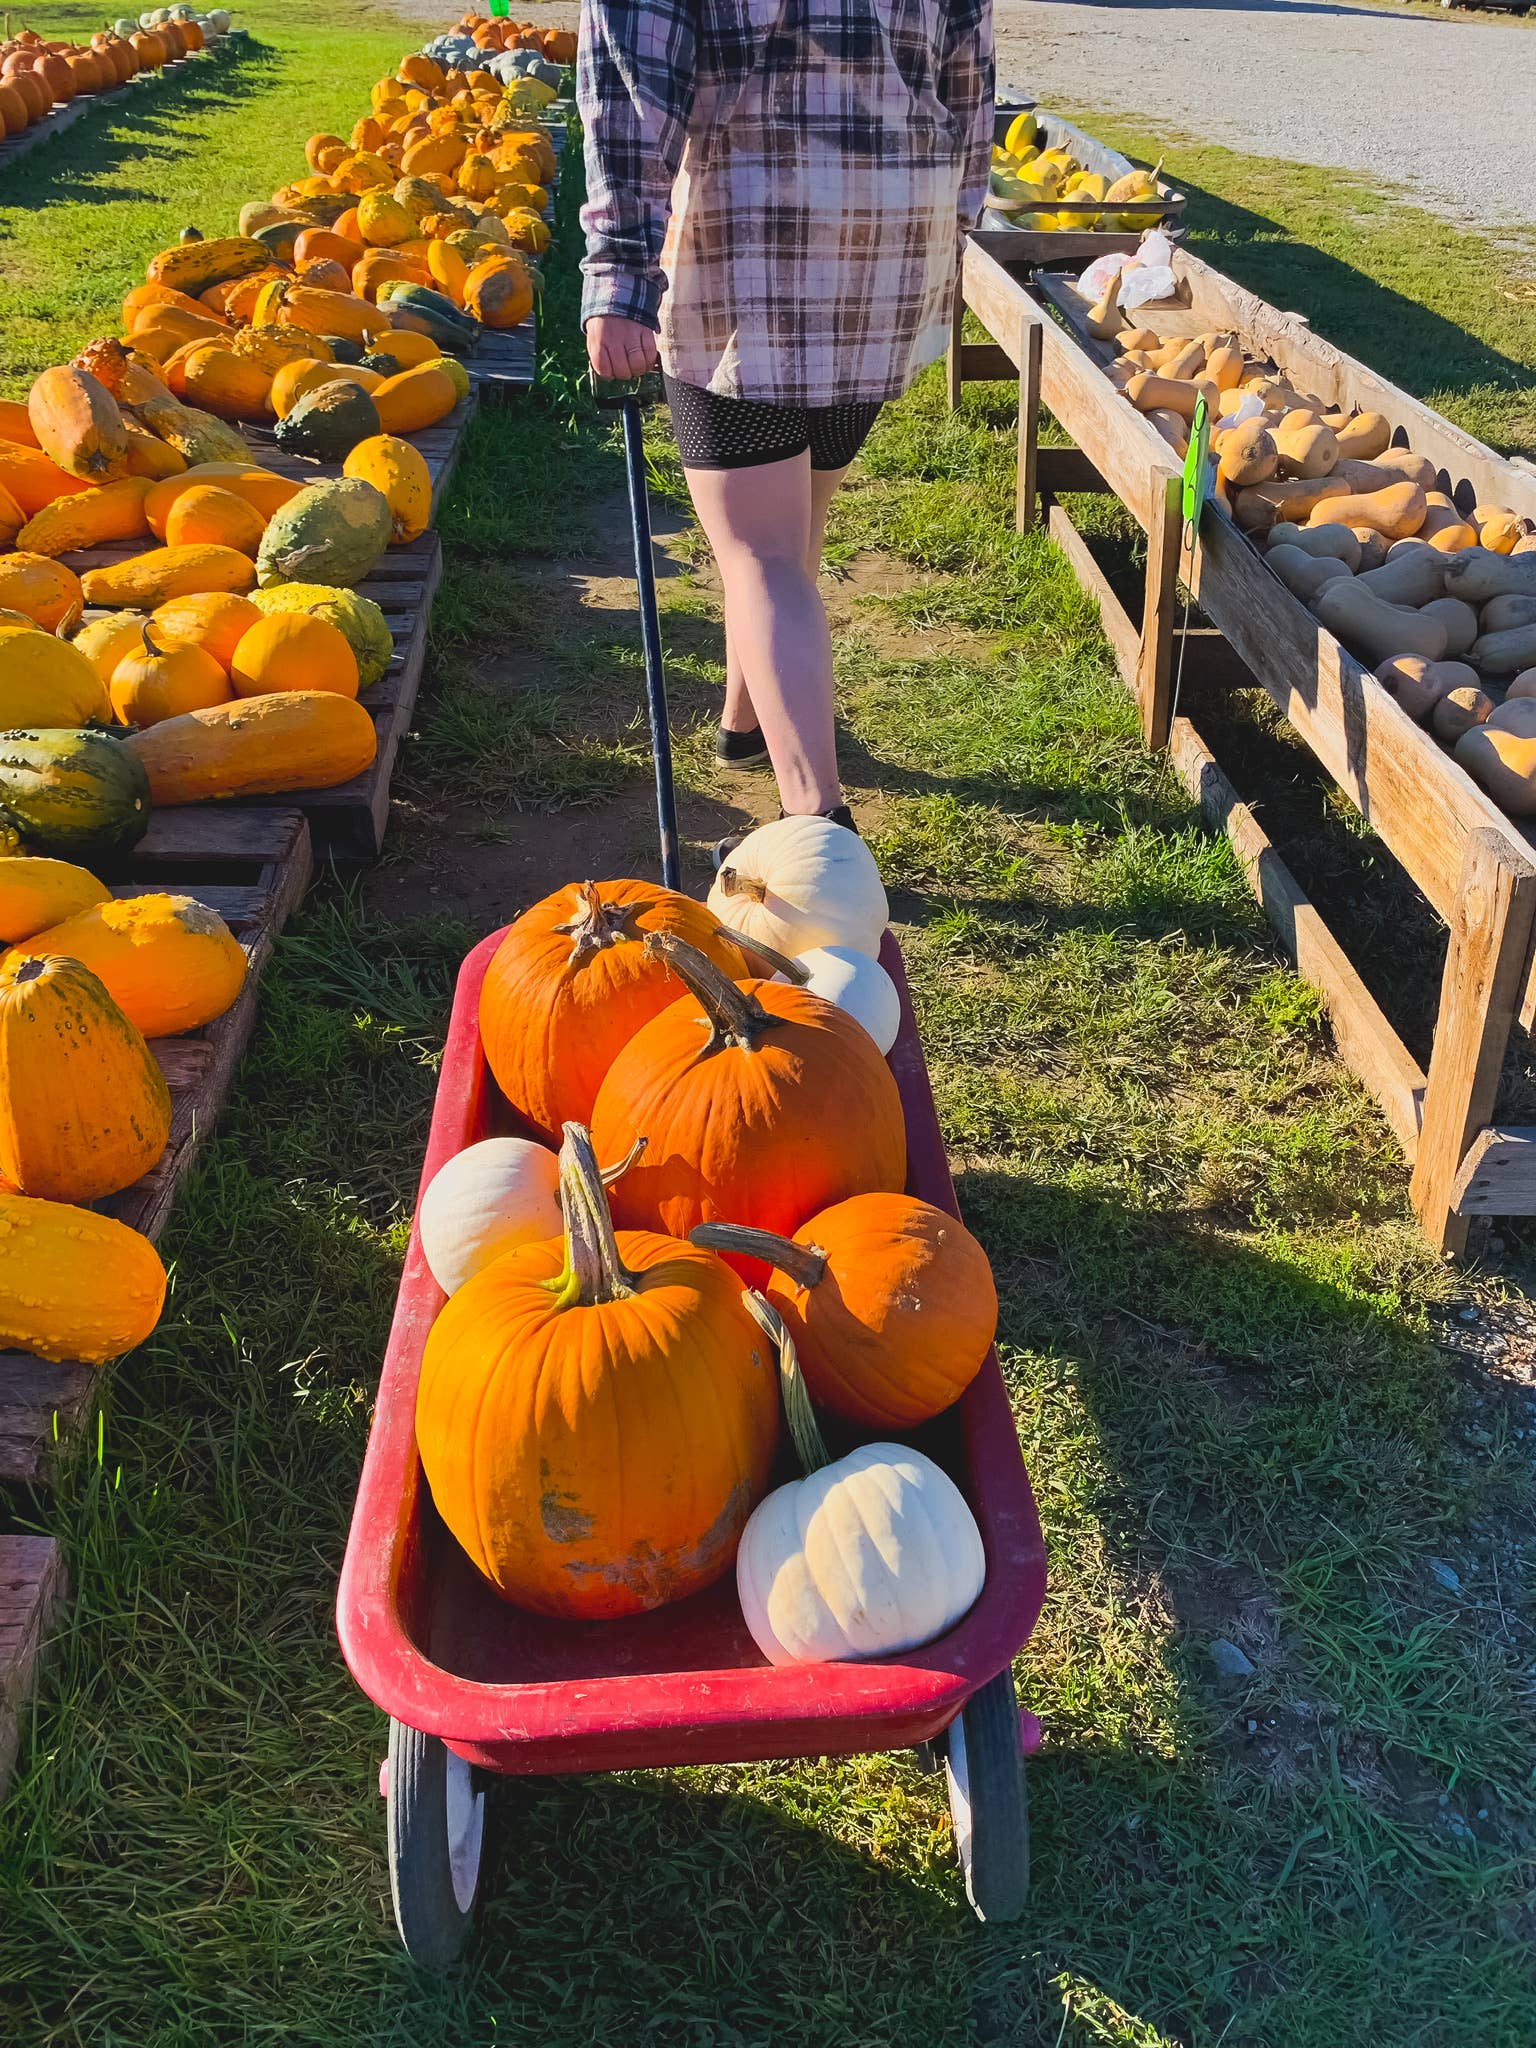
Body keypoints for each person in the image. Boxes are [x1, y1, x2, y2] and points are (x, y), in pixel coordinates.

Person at [578, 0, 994, 847]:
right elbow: (970, 87)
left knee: (762, 551)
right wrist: (952, 230)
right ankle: (745, 722)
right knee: (793, 520)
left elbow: (631, 92)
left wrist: (619, 277)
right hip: (894, 241)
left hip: (751, 238)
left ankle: (820, 825)